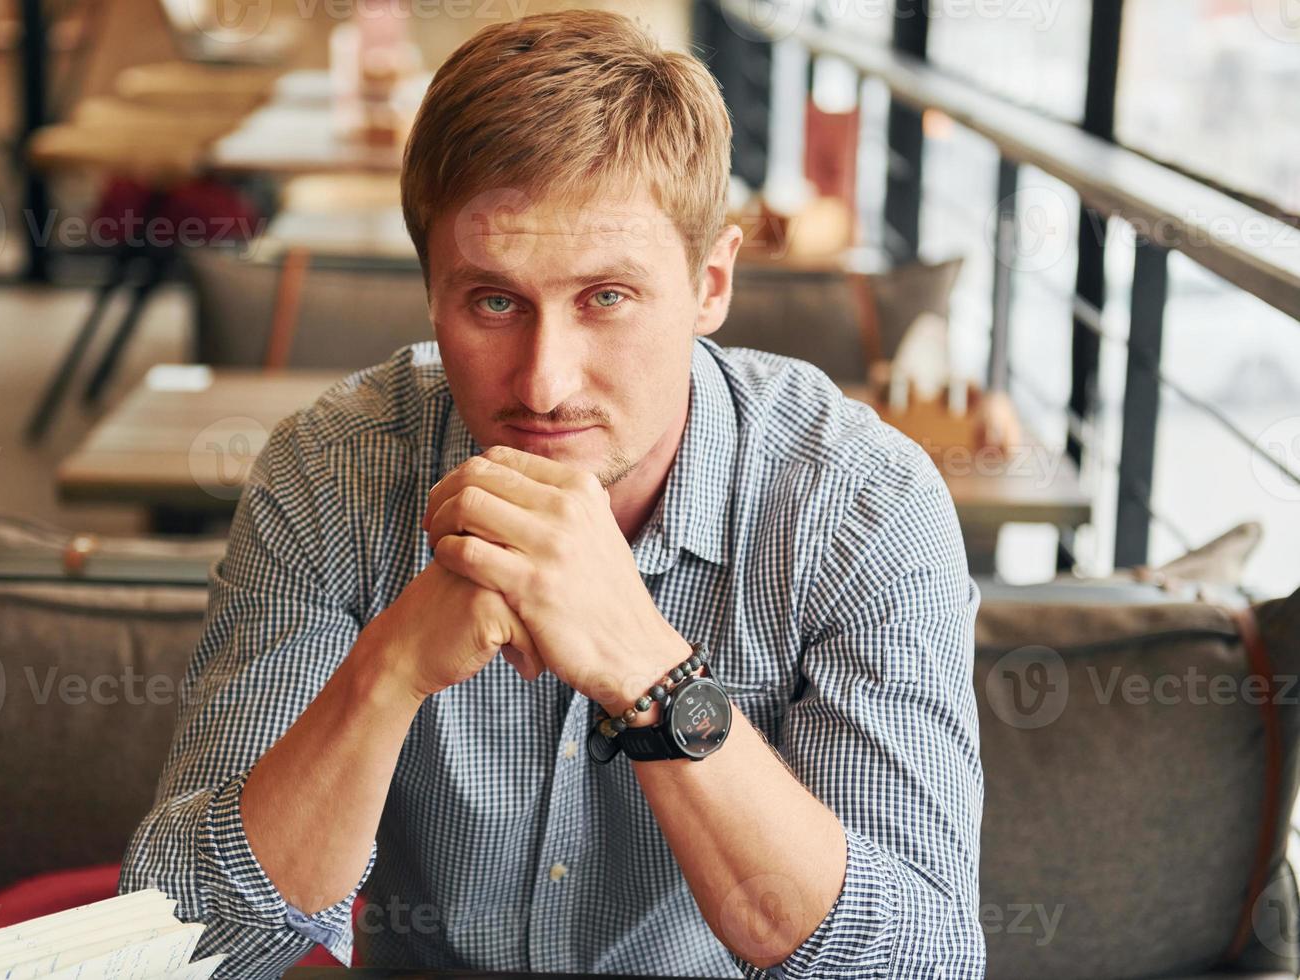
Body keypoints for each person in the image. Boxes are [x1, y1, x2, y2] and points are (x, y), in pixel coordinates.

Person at [121, 10, 984, 978]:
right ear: (430, 287)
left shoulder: (862, 506)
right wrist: (390, 666)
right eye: (494, 300)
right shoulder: (332, 473)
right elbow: (183, 943)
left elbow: (924, 960)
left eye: (605, 298)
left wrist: (654, 678)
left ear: (711, 284)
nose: (542, 383)